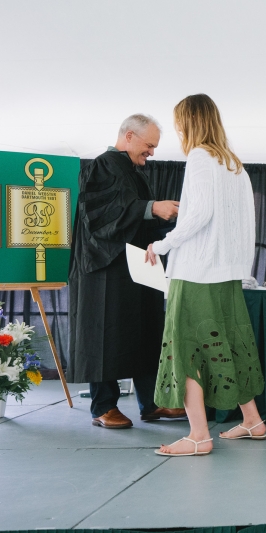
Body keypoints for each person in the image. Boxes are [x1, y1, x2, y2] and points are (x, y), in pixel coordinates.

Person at [145, 94, 265, 456]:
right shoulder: (234, 165)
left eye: (179, 122)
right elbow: (246, 224)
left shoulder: (199, 158)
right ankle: (253, 421)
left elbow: (197, 217)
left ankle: (198, 435)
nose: (177, 129)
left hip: (196, 272)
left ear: (189, 123)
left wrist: (162, 245)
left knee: (187, 348)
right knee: (228, 344)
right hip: (227, 273)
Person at [68, 114, 186, 429]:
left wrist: (167, 216)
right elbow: (102, 215)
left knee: (146, 331)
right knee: (104, 334)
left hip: (135, 266)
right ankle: (103, 407)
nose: (150, 155)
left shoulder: (131, 169)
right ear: (130, 136)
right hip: (105, 269)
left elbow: (135, 214)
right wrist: (151, 208)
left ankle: (152, 403)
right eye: (148, 147)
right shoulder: (104, 165)